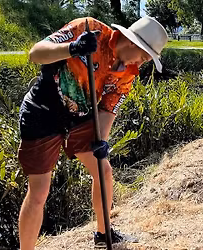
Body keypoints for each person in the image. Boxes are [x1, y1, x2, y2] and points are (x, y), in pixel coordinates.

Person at [18, 16, 168, 249]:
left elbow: (108, 108)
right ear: (132, 43)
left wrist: (102, 142)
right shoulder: (89, 30)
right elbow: (36, 53)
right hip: (42, 112)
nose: (141, 64)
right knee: (39, 191)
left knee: (103, 170)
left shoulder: (128, 73)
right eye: (144, 57)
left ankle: (103, 234)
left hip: (80, 116)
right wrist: (72, 48)